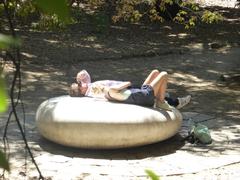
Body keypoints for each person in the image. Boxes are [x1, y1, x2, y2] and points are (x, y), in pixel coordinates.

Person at [69, 69, 191, 110]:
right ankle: (173, 102)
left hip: (127, 91)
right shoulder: (94, 90)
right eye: (80, 83)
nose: (82, 82)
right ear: (81, 89)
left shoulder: (90, 87)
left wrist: (80, 77)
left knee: (155, 73)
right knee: (162, 76)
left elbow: (85, 74)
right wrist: (125, 84)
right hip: (126, 90)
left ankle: (163, 96)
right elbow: (111, 90)